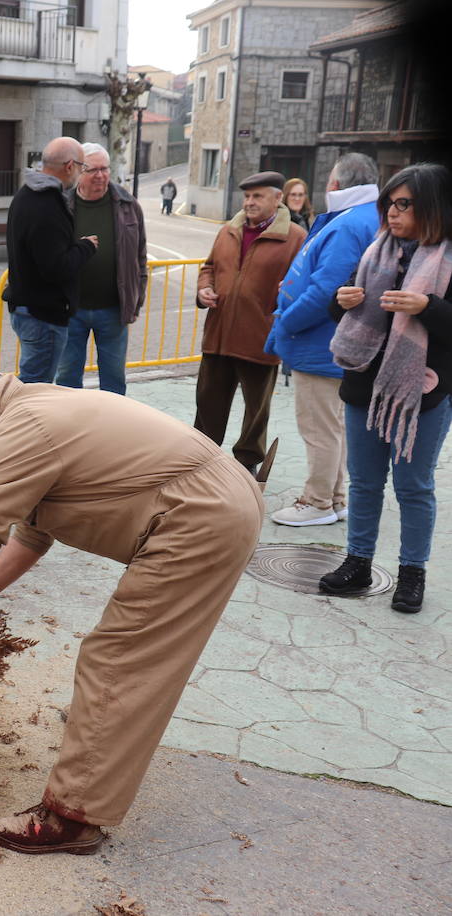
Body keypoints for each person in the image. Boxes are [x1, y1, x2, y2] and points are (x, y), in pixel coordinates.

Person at [0, 358, 262, 855]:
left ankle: (72, 818)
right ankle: (103, 732)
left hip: (199, 517)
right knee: (126, 662)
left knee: (120, 659)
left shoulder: (21, 429)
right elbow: (31, 535)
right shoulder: (31, 409)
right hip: (215, 501)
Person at [319, 162, 452, 615]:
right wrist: (342, 302)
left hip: (421, 393)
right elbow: (351, 314)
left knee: (414, 486)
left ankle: (412, 574)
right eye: (388, 205)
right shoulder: (377, 252)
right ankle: (357, 563)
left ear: (432, 206)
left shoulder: (449, 258)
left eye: (402, 205)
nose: (391, 214)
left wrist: (428, 306)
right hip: (364, 384)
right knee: (365, 483)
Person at [265, 152, 381, 527]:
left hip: (319, 343)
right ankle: (335, 497)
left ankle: (316, 502)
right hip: (336, 341)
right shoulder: (364, 217)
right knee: (334, 425)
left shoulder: (348, 224)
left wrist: (285, 321)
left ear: (336, 183)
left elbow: (325, 290)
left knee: (319, 428)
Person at [194, 171, 306, 476]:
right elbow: (209, 267)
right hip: (218, 334)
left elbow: (301, 284)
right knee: (207, 403)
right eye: (246, 196)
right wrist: (204, 288)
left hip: (261, 336)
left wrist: (283, 303)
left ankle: (246, 464)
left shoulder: (295, 237)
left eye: (257, 196)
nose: (249, 202)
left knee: (257, 411)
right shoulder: (228, 230)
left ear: (277, 198)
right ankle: (201, 458)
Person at [54, 143, 147, 396]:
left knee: (114, 378)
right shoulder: (61, 205)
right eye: (93, 169)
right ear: (79, 171)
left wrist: (136, 302)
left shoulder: (128, 205)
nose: (100, 175)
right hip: (71, 310)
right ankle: (69, 429)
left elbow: (140, 257)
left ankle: (111, 431)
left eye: (105, 169)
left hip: (113, 310)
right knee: (67, 378)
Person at [4, 137, 99, 383]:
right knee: (35, 392)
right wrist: (86, 247)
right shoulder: (47, 204)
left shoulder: (26, 194)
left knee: (32, 384)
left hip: (28, 309)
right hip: (42, 316)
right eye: (83, 167)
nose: (81, 173)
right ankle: (20, 423)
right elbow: (56, 267)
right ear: (70, 166)